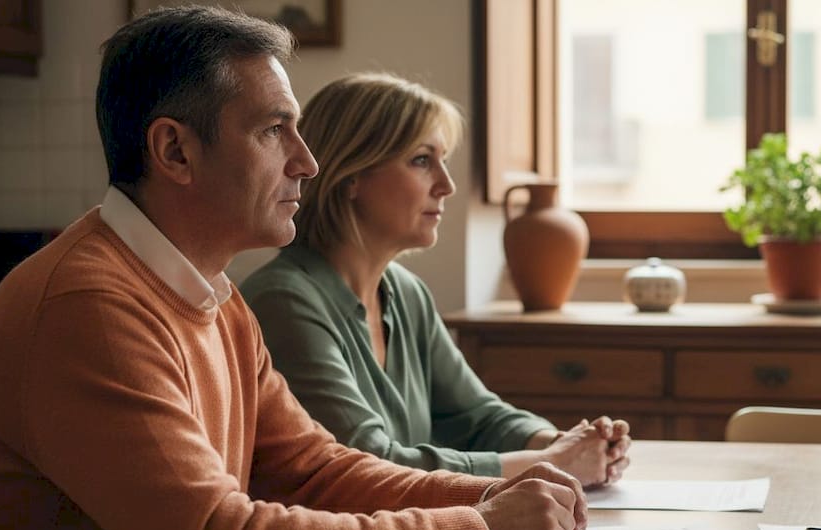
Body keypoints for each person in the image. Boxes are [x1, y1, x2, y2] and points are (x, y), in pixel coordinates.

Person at [0, 7, 586, 530]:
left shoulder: (213, 295)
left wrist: (492, 498)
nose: (307, 161)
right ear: (174, 151)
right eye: (274, 130)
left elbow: (314, 471)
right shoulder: (88, 307)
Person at [240, 72, 631, 487]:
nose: (447, 185)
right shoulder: (283, 302)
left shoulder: (406, 292)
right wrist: (550, 463)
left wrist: (565, 443)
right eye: (422, 161)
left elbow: (478, 416)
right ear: (351, 175)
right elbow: (368, 463)